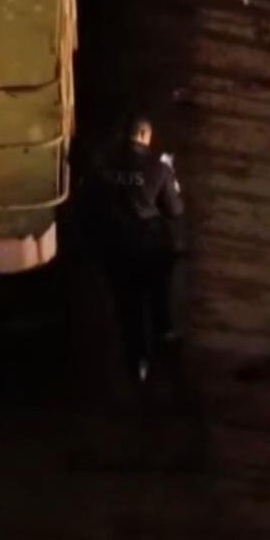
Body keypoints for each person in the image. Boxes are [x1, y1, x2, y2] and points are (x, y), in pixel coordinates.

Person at [94, 115, 187, 383]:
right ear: (145, 135)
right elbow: (175, 210)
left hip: (116, 249)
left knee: (128, 307)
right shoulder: (158, 168)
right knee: (158, 291)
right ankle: (163, 337)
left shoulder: (105, 167)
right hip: (148, 246)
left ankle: (137, 363)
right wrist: (172, 180)